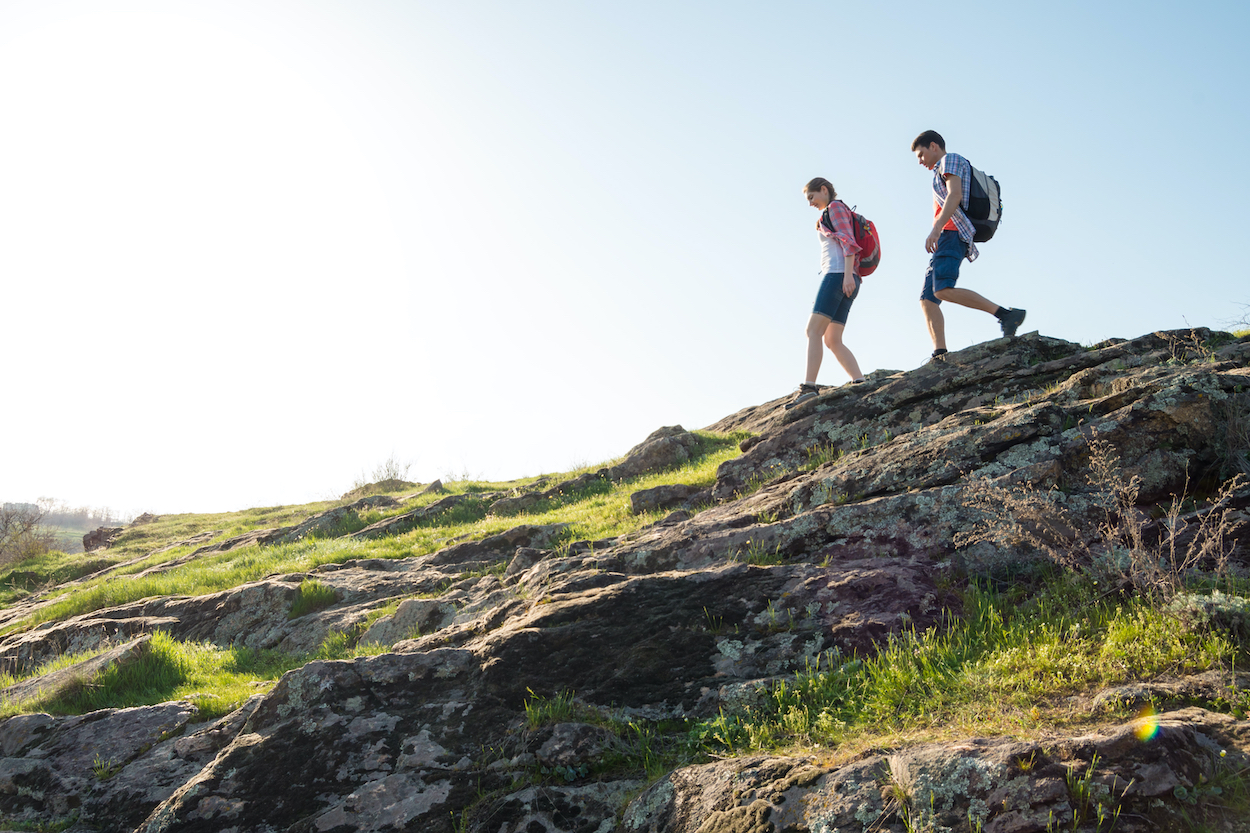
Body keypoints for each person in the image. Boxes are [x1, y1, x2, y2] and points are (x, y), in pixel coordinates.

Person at [911, 130, 1025, 361]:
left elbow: (954, 196)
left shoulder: (949, 160)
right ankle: (940, 353)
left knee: (941, 289)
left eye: (921, 155)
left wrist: (936, 229)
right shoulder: (938, 170)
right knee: (927, 299)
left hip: (952, 234)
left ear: (934, 145)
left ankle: (1005, 315)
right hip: (947, 235)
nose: (920, 161)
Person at [789, 177, 865, 408]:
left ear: (824, 190)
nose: (810, 203)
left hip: (838, 275)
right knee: (832, 339)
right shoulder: (830, 213)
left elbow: (849, 242)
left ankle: (809, 387)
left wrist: (847, 275)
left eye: (811, 197)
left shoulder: (835, 208)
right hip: (845, 277)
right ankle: (860, 382)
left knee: (813, 330)